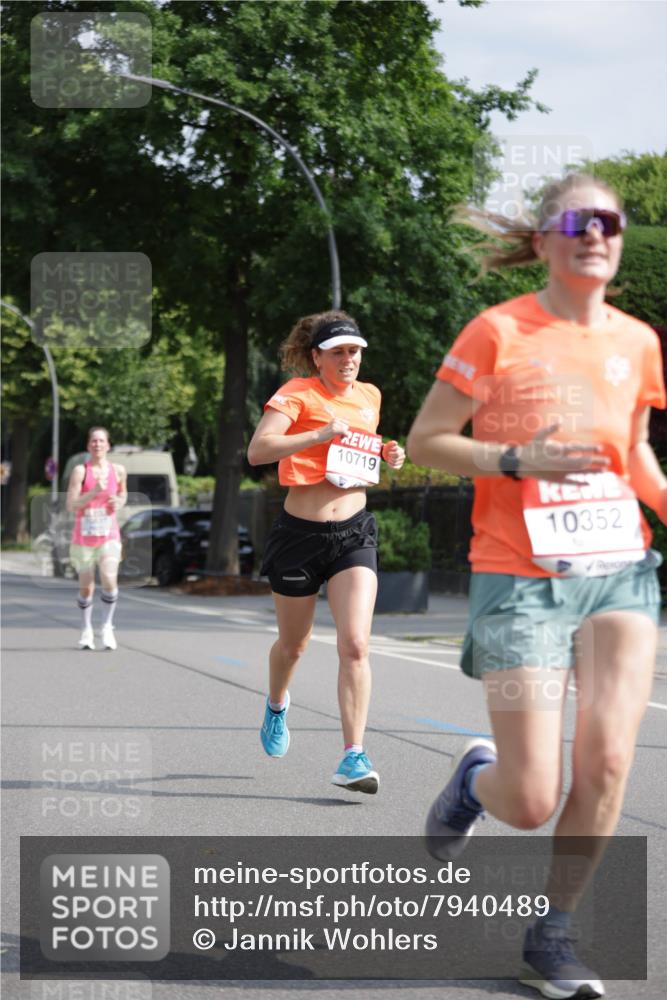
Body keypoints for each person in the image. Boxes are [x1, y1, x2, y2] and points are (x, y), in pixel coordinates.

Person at [407, 173, 666, 999]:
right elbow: (426, 440)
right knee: (528, 797)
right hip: (518, 575)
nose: (596, 232)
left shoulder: (637, 343)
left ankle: (551, 934)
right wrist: (513, 460)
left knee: (609, 760)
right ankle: (472, 783)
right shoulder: (496, 332)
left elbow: (633, 456)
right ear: (544, 238)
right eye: (577, 220)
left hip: (619, 569)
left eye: (610, 222)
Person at [247, 311, 405, 793]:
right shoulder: (297, 394)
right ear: (317, 356)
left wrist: (387, 454)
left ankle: (353, 756)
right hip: (300, 534)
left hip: (354, 533)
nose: (349, 359)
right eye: (338, 351)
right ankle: (277, 704)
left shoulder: (370, 396)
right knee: (293, 645)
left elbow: (356, 453)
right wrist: (318, 433)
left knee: (355, 643)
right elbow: (259, 451)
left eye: (355, 350)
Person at [66, 427, 127, 650]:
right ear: (88, 445)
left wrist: (119, 502)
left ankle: (107, 627)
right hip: (83, 537)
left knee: (110, 580)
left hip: (109, 535)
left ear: (108, 445)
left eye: (101, 441)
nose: (97, 445)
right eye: (94, 441)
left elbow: (123, 494)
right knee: (87, 588)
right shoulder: (80, 472)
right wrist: (93, 492)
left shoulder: (118, 470)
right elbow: (71, 505)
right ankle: (86, 630)